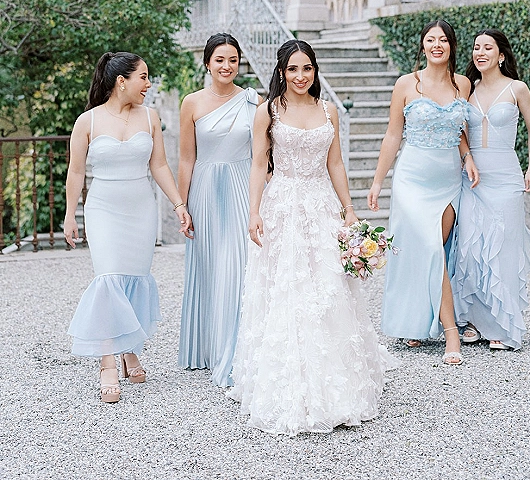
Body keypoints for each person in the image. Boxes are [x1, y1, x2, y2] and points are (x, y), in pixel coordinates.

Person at [230, 39, 398, 436]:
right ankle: (286, 385)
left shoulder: (329, 111)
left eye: (307, 69)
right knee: (287, 290)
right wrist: (253, 211)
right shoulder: (266, 111)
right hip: (283, 205)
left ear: (315, 71)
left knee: (327, 287)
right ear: (281, 72)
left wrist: (349, 208)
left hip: (321, 204)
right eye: (293, 69)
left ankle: (338, 386)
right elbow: (257, 165)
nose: (300, 76)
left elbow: (335, 162)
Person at [63, 51, 193, 403]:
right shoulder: (87, 121)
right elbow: (75, 172)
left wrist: (179, 204)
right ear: (122, 81)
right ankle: (108, 362)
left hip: (140, 208)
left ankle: (129, 350)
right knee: (108, 280)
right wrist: (70, 214)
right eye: (144, 77)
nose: (148, 85)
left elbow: (161, 166)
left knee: (134, 280)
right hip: (104, 208)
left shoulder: (150, 118)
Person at [367, 19, 478, 365]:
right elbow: (392, 136)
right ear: (423, 45)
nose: (437, 45)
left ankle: (417, 324)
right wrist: (377, 181)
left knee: (434, 250)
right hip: (412, 179)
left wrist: (468, 156)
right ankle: (451, 334)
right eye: (431, 39)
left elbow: (459, 128)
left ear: (451, 46)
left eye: (443, 39)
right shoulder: (405, 84)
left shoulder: (462, 84)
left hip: (448, 181)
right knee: (429, 248)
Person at [178, 33, 261, 386]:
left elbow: (263, 156)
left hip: (242, 184)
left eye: (233, 60)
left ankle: (239, 352)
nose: (227, 67)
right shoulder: (191, 103)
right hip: (205, 190)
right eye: (220, 60)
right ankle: (211, 348)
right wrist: (182, 205)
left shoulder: (255, 101)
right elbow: (185, 158)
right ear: (207, 63)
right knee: (211, 266)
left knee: (238, 266)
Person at [452, 28, 530, 350]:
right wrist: (467, 157)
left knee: (502, 247)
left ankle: (503, 325)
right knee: (471, 248)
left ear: (501, 54)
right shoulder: (466, 88)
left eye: (488, 47)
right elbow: (459, 130)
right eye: (476, 47)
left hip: (507, 176)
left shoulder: (517, 88)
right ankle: (473, 321)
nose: (481, 52)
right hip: (473, 177)